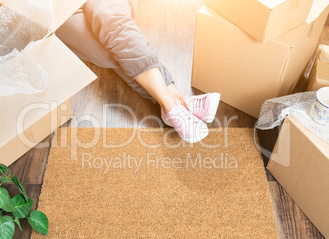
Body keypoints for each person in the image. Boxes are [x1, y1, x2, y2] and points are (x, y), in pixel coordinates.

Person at [56, 0, 220, 143]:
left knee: (112, 21)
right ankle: (177, 98)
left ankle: (169, 104)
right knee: (103, 51)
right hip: (56, 7)